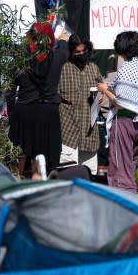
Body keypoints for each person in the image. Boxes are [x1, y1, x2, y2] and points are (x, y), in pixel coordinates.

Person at [8, 21, 69, 178]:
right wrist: (61, 39)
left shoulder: (19, 59)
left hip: (24, 112)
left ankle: (16, 188)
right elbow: (64, 46)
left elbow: (9, 90)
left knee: (18, 160)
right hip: (48, 114)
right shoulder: (58, 57)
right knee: (44, 162)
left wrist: (12, 114)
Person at [96, 31, 138, 193]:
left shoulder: (126, 68)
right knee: (129, 165)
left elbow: (120, 102)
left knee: (120, 167)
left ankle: (123, 202)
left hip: (124, 123)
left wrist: (105, 89)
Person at [58, 35, 101, 174]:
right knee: (68, 175)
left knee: (90, 175)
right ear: (71, 52)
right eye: (77, 52)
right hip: (68, 131)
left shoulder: (94, 69)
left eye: (84, 51)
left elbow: (103, 90)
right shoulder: (63, 69)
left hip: (89, 132)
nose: (81, 54)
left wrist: (102, 98)